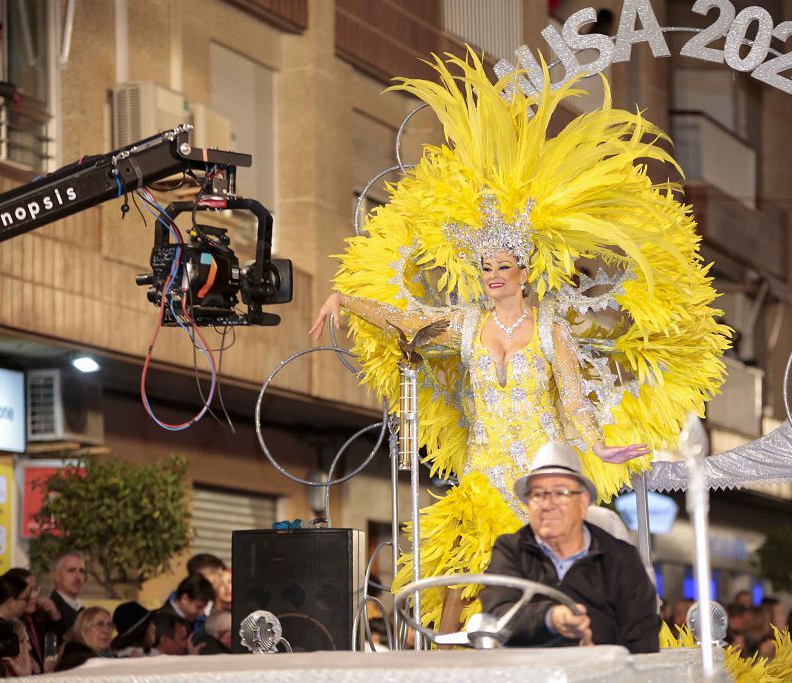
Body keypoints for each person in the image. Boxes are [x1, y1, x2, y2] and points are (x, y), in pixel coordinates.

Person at [310, 50, 729, 631]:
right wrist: (345, 300)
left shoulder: (552, 327)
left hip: (540, 471)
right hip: (484, 469)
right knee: (460, 569)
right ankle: (448, 663)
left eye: (502, 265)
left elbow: (574, 400)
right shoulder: (465, 324)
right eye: (485, 266)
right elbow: (406, 320)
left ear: (524, 270)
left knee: (543, 582)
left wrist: (600, 449)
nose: (491, 275)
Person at [481, 443, 660, 652]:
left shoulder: (620, 558)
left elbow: (642, 639)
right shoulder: (511, 550)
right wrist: (550, 617)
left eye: (561, 493)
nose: (548, 504)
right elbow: (497, 614)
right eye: (538, 495)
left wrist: (602, 657)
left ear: (583, 502)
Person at [3, 567, 64, 665]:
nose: (34, 596)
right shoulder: (6, 625)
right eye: (28, 592)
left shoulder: (38, 615)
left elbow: (57, 646)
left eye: (35, 589)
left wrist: (55, 616)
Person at [55, 606, 114, 671]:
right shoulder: (75, 662)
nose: (106, 630)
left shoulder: (112, 658)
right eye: (99, 624)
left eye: (109, 625)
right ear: (83, 629)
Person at [50, 551, 86, 632]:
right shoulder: (49, 612)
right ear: (56, 576)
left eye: (81, 571)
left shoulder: (83, 611)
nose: (78, 577)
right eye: (71, 570)